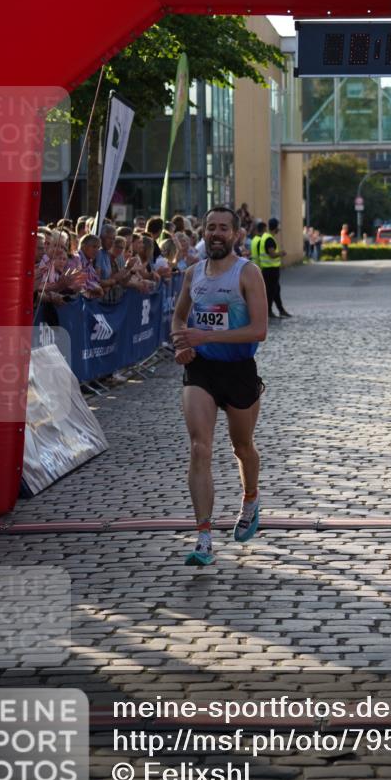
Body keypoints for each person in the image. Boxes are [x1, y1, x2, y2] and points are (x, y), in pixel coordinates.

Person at [171, 207, 268, 567]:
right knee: (200, 447)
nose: (216, 233)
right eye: (210, 227)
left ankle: (251, 498)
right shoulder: (193, 274)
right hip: (202, 370)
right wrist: (181, 343)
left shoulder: (249, 273)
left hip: (240, 369)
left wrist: (207, 334)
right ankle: (204, 537)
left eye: (223, 228)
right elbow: (180, 316)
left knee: (242, 446)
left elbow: (259, 330)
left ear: (236, 235)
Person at [259, 217, 291, 318]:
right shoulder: (269, 239)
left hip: (269, 269)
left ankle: (280, 310)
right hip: (270, 270)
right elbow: (272, 254)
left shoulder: (265, 237)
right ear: (275, 228)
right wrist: (281, 253)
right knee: (271, 291)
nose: (279, 229)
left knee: (276, 290)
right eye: (278, 227)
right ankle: (268, 311)